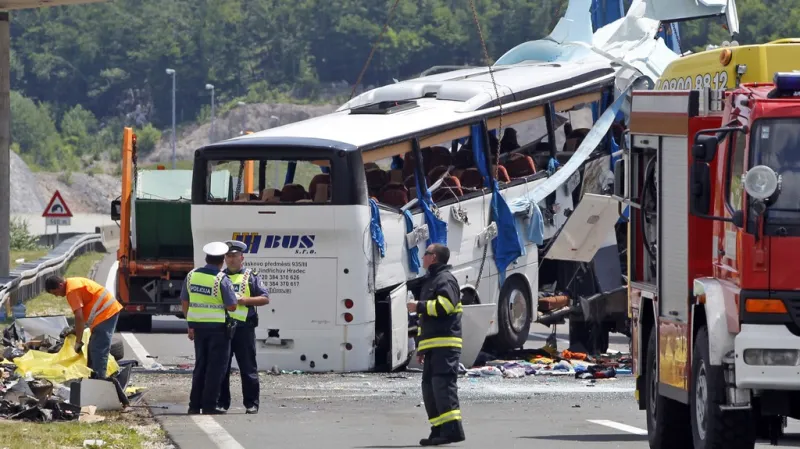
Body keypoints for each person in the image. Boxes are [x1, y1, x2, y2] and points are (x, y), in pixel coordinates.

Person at [406, 243, 466, 446]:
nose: (422, 257)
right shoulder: (432, 280)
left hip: (446, 344)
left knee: (442, 386)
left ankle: (452, 431)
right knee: (430, 389)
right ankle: (438, 430)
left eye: (425, 254)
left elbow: (446, 306)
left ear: (433, 258)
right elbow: (426, 322)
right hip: (433, 346)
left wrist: (419, 306)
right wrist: (422, 347)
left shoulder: (445, 279)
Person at [181, 241, 239, 415]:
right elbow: (232, 306)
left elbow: (185, 302)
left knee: (200, 365)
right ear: (222, 260)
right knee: (216, 368)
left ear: (206, 258)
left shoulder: (192, 276)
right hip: (218, 330)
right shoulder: (222, 279)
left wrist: (190, 324)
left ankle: (194, 405)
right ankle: (209, 405)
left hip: (198, 329)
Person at [217, 240, 270, 414]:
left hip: (244, 328)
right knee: (222, 368)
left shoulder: (250, 276)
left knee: (248, 368)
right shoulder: (218, 277)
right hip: (223, 328)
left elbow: (264, 298)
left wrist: (244, 300)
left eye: (234, 256)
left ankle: (251, 403)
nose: (231, 260)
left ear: (242, 258)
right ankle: (222, 403)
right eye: (228, 256)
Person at [44, 276, 123, 379]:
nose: (57, 296)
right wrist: (76, 330)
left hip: (106, 313)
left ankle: (100, 381)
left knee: (98, 348)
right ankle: (92, 376)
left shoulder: (72, 290)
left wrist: (78, 341)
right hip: (104, 312)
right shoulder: (73, 283)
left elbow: (79, 317)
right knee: (92, 348)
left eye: (56, 293)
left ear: (60, 285)